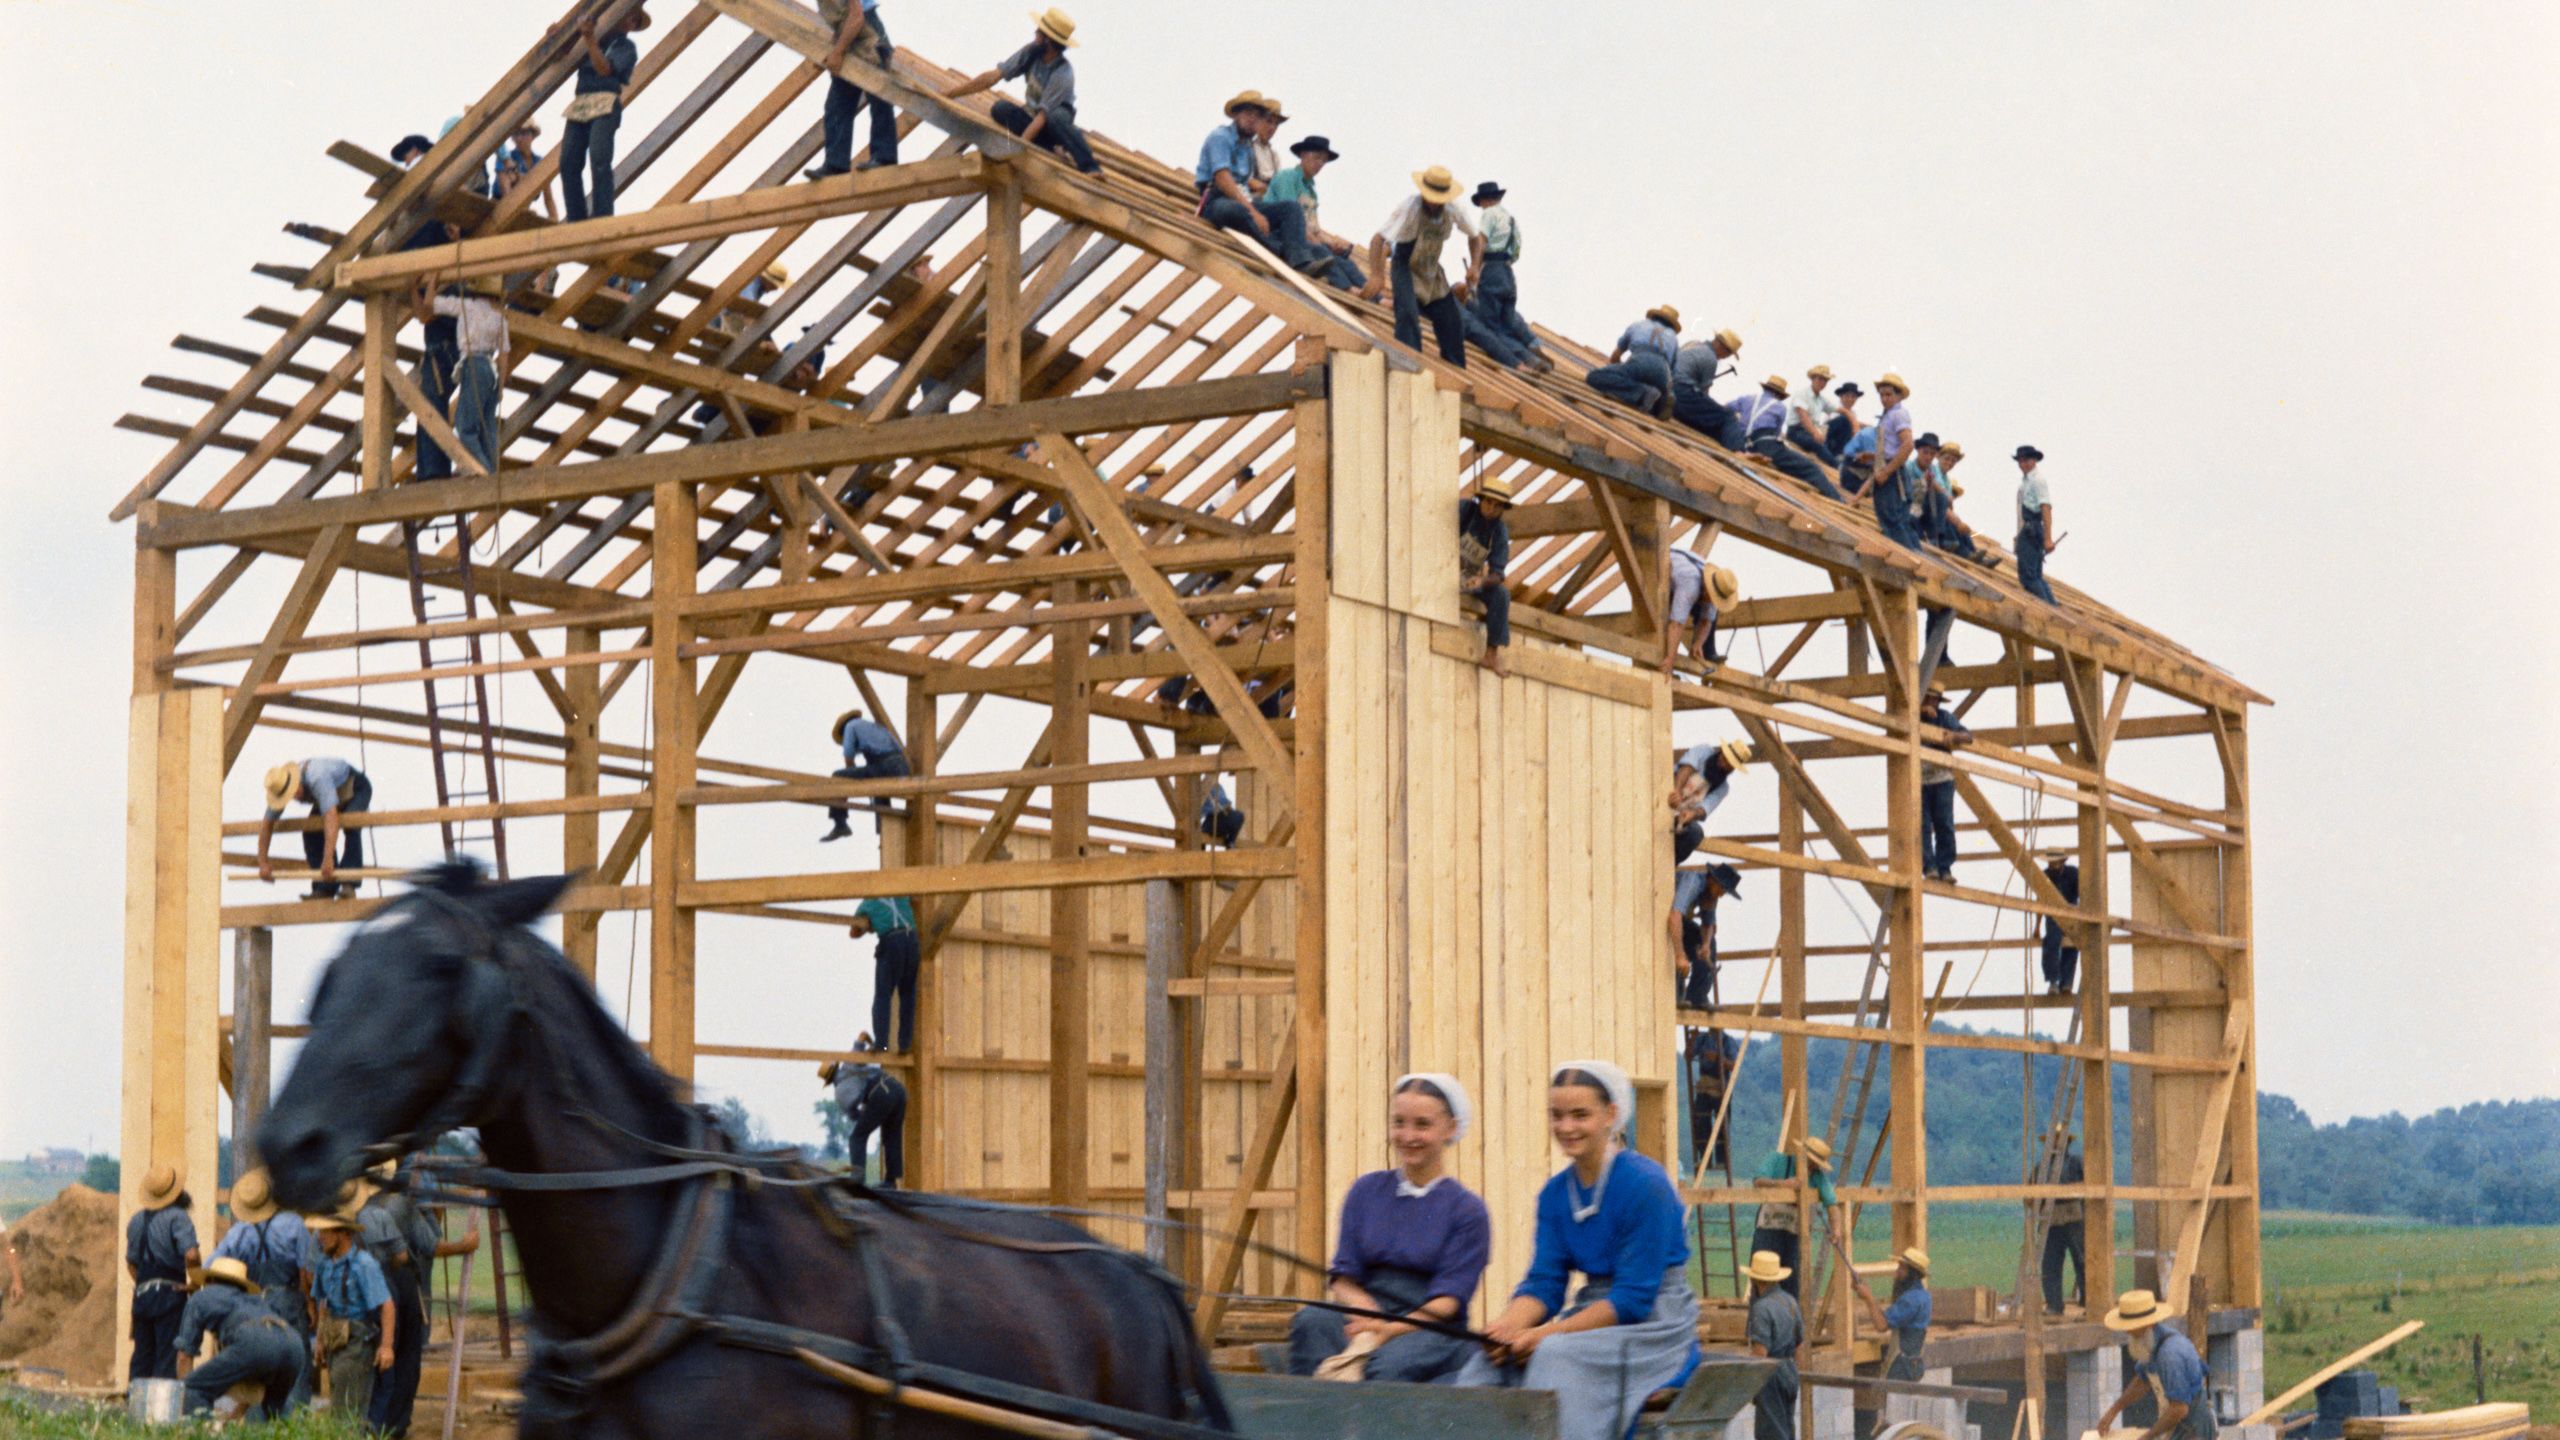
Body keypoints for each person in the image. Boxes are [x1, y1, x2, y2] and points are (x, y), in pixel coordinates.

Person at [1460, 1062, 1700, 1440]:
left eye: (1580, 1115)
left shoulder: (1646, 1185)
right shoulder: (1556, 1194)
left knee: (1555, 1358)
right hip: (1591, 1316)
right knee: (1485, 1366)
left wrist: (1545, 1336)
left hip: (1655, 1322)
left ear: (1611, 1115)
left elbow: (1633, 1299)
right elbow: (1545, 1283)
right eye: (1557, 1116)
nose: (1566, 1127)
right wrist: (1508, 1328)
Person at [1287, 1075, 1491, 1384]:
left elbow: (1447, 1302)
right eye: (1399, 1123)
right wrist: (1366, 1311)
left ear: (1450, 1128)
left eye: (1422, 1125)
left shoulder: (1466, 1210)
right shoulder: (1366, 1191)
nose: (1408, 1136)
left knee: (1385, 1366)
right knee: (1311, 1322)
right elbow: (1343, 1277)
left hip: (1431, 1327)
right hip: (1367, 1311)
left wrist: (1386, 1329)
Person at [948, 9, 1101, 175]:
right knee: (1000, 109)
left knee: (1056, 118)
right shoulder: (1031, 53)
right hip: (1033, 119)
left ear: (1047, 40)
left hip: (1054, 124)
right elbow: (993, 76)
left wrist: (1017, 147)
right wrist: (951, 94)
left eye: (1039, 32)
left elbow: (1043, 117)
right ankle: (1051, 148)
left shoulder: (1062, 73)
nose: (1035, 34)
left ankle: (1089, 166)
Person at [212, 1168, 317, 1409]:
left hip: (253, 1303)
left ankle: (259, 1421)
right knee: (296, 1360)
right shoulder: (294, 1224)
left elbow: (213, 1266)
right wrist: (310, 1304)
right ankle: (294, 1420)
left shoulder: (239, 1232)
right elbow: (306, 1272)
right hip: (287, 1300)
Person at [1360, 166, 1483, 367]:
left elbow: (1475, 237)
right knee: (1407, 315)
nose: (1433, 203)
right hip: (1405, 264)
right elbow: (1378, 239)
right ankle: (1409, 365)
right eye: (1430, 197)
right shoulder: (1410, 208)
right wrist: (1376, 275)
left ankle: (1455, 369)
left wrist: (1475, 266)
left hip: (1431, 268)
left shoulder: (1454, 209)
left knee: (1452, 322)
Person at [359, 1163, 449, 1437]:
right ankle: (396, 1425)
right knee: (407, 1354)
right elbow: (430, 1245)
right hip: (400, 1282)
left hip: (365, 1285)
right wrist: (466, 1245)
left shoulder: (358, 1209)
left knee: (377, 1352)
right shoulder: (401, 1205)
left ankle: (372, 1421)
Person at [172, 1257, 305, 1420]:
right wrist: (234, 1416)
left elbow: (184, 1357)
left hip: (254, 1341)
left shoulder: (201, 1297)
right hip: (293, 1342)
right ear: (243, 1285)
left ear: (210, 1280)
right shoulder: (256, 1301)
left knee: (193, 1389)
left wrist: (184, 1397)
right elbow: (259, 1356)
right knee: (275, 1411)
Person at [1195, 93, 1315, 268]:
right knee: (1235, 210)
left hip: (1243, 199)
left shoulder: (1247, 148)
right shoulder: (1221, 137)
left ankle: (1299, 259)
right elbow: (1222, 178)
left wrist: (1255, 209)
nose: (1253, 119)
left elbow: (1244, 186)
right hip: (1216, 200)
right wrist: (1253, 212)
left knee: (1291, 208)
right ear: (1236, 114)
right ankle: (1277, 251)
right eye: (1248, 113)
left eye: (1258, 116)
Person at [413, 276, 508, 474]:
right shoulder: (500, 319)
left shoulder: (467, 307)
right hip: (491, 371)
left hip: (473, 365)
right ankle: (492, 469)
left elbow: (430, 306)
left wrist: (432, 281)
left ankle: (483, 471)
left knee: (465, 426)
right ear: (496, 297)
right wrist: (500, 386)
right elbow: (504, 354)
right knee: (487, 426)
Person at [559, 9, 647, 222]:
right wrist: (560, 39)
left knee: (599, 158)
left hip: (606, 102)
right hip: (582, 102)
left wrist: (588, 38)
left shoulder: (625, 47)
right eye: (630, 15)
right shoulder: (594, 38)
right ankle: (576, 217)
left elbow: (604, 69)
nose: (631, 21)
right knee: (568, 162)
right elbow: (563, 57)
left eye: (635, 21)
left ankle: (602, 216)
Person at [307, 1211, 395, 1423]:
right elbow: (323, 1303)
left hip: (357, 1342)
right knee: (338, 1399)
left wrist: (386, 1346)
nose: (320, 1236)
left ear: (343, 1233)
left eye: (326, 1231)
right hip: (335, 1339)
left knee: (348, 1408)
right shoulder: (324, 1264)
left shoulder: (364, 1264)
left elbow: (387, 1305)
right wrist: (320, 1340)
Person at [2096, 1289, 2217, 1440]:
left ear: (2148, 1324)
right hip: (2177, 1424)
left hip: (2192, 1429)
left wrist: (2148, 1437)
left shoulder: (2170, 1355)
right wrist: (2113, 1411)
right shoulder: (2151, 1344)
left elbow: (2179, 1408)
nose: (2128, 1332)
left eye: (2131, 1328)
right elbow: (2143, 1380)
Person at [804, 0, 898, 181]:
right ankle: (836, 164)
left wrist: (838, 52)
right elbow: (843, 22)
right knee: (837, 105)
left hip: (868, 36)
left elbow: (856, 17)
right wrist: (832, 51)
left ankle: (884, 157)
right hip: (850, 37)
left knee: (879, 97)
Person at [257, 758, 373, 900]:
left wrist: (328, 858)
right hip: (331, 794)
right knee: (311, 833)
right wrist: (263, 863)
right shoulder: (280, 787)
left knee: (351, 824)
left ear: (297, 782)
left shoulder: (317, 777)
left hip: (355, 788)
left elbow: (331, 817)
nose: (295, 798)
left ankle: (349, 884)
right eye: (290, 797)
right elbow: (266, 825)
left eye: (294, 792)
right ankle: (325, 887)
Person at [125, 1165, 199, 1382]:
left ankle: (135, 1408)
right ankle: (160, 1412)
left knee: (142, 1355)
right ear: (176, 1191)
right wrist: (194, 1283)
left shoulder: (136, 1220)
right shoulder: (178, 1217)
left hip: (141, 1297)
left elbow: (131, 1263)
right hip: (170, 1295)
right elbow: (192, 1255)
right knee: (167, 1357)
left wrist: (145, 1283)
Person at [1853, 1248, 1933, 1440]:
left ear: (1912, 1273)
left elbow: (1881, 1325)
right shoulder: (1922, 1296)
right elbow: (1888, 1317)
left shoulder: (1911, 1300)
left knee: (1894, 1427)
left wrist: (1868, 1298)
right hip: (1909, 1365)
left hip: (1900, 1367)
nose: (1897, 1273)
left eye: (1901, 1269)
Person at [1468, 181, 1548, 372]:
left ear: (1485, 200)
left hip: (1492, 270)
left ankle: (1525, 356)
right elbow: (1516, 252)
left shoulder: (1489, 214)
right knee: (1508, 319)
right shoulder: (1510, 219)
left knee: (1491, 326)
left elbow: (1481, 240)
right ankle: (1530, 343)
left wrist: (1475, 268)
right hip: (1507, 273)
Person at [1264, 136, 1363, 289]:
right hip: (1282, 236)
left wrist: (1330, 242)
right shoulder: (1288, 177)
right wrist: (1319, 243)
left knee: (1346, 263)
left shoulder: (1311, 191)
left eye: (1323, 160)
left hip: (1304, 238)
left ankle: (1376, 297)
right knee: (1323, 254)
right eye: (1317, 157)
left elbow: (1313, 227)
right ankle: (1349, 290)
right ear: (1303, 155)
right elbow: (1291, 218)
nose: (1320, 164)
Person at [1747, 1134, 1835, 1300]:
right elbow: (1758, 1181)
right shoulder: (1777, 1161)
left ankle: (1790, 1321)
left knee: (1792, 1284)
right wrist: (1782, 1184)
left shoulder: (1817, 1177)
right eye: (1811, 1163)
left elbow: (1831, 1203)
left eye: (1816, 1165)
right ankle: (1760, 1320)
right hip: (1768, 1230)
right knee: (1760, 1280)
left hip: (1793, 1234)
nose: (1813, 1168)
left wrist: (1835, 1230)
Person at [1732, 374, 1842, 498]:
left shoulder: (1746, 398)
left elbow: (1726, 410)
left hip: (1743, 443)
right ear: (1779, 395)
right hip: (1766, 445)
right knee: (1811, 468)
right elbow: (1776, 434)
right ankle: (1837, 499)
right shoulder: (1779, 407)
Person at [822, 1041, 910, 1188]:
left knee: (857, 1138)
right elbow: (861, 1040)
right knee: (892, 1135)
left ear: (829, 1080)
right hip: (898, 1089)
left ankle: (858, 1179)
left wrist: (863, 1111)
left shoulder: (839, 1093)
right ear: (836, 1066)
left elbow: (854, 1116)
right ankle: (891, 1180)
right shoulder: (849, 1062)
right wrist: (875, 1045)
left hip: (880, 1094)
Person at [821, 708, 911, 840]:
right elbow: (899, 750)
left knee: (838, 777)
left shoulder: (850, 727)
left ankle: (840, 823)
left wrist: (853, 783)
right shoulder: (878, 727)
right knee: (878, 791)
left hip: (884, 766)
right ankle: (886, 833)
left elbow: (849, 757)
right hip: (900, 767)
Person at [1742, 1250, 1804, 1440]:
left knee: (1771, 1433)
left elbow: (1760, 1352)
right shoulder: (1790, 1302)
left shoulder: (1761, 1308)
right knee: (1786, 1430)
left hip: (1770, 1374)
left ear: (1755, 1280)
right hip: (1789, 1370)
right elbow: (1799, 1345)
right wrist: (1794, 1374)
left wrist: (1747, 1381)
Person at [849, 895, 921, 1053]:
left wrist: (869, 925)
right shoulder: (900, 893)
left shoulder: (867, 903)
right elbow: (915, 901)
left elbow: (854, 933)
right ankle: (904, 1044)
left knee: (883, 995)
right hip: (912, 940)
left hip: (892, 941)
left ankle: (882, 1043)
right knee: (908, 994)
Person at [1458, 475, 1514, 677]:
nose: (1491, 509)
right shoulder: (1465, 510)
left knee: (1501, 595)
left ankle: (1491, 654)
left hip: (1467, 579)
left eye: (1497, 506)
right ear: (1481, 500)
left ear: (1502, 509)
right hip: (1440, 569)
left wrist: (1482, 581)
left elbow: (1498, 573)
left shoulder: (1499, 532)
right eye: (1488, 502)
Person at [1668, 737, 1752, 864]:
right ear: (1721, 752)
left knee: (1695, 833)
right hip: (1667, 793)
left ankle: (1668, 864)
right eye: (1724, 759)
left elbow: (1704, 809)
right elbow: (1687, 768)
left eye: (1728, 767)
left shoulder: (1722, 788)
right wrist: (1677, 791)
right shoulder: (1704, 751)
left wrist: (1692, 815)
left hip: (1679, 817)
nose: (1723, 765)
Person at [1585, 304, 1682, 415]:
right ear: (1672, 324)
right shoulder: (1674, 338)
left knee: (1595, 376)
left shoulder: (1639, 325)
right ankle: (1660, 403)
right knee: (1658, 391)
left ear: (1654, 316)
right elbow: (1673, 375)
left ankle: (1642, 392)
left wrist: (1620, 371)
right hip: (1662, 371)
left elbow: (1615, 357)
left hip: (1641, 359)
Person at [1919, 688, 1974, 883]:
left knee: (1944, 823)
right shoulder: (1911, 715)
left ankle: (1944, 867)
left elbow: (1968, 736)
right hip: (1919, 780)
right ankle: (1930, 867)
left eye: (1935, 700)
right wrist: (1919, 712)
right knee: (1923, 825)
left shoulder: (1944, 717)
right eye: (1929, 699)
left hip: (1941, 778)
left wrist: (1954, 737)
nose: (1932, 703)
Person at [1673, 862, 1742, 1012]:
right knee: (1675, 939)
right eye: (1722, 889)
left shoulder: (1710, 895)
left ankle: (1697, 996)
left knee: (1710, 944)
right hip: (1666, 918)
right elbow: (1675, 915)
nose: (1722, 894)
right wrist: (1680, 955)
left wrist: (1705, 944)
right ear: (1712, 880)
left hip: (1678, 921)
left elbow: (1708, 923)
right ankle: (1675, 995)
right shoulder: (1692, 882)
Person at [1868, 374, 1926, 551]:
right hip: (1887, 469)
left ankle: (1909, 561)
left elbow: (1908, 445)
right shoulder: (1887, 416)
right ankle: (1914, 556)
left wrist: (1886, 471)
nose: (1885, 399)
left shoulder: (1898, 414)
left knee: (1893, 521)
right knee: (1897, 522)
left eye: (1889, 395)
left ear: (1899, 395)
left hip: (1892, 474)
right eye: (1882, 395)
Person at [1664, 548, 1738, 669]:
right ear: (1708, 590)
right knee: (1670, 616)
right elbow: (1676, 624)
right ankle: (1666, 657)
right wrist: (1670, 659)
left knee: (1710, 612)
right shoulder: (1690, 582)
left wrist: (1699, 643)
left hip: (1683, 580)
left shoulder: (1716, 585)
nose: (1713, 602)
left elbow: (1706, 621)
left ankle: (1707, 651)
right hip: (1657, 568)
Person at [1670, 328, 1745, 443]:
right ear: (1723, 349)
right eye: (1728, 354)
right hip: (1683, 392)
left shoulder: (1693, 344)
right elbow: (1704, 393)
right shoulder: (1710, 359)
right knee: (1728, 415)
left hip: (1668, 387)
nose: (1726, 357)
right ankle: (1737, 451)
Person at [2042, 1130, 2088, 1314]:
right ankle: (2054, 1304)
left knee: (2082, 1259)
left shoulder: (2076, 1162)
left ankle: (2089, 1302)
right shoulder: (2043, 1167)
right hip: (2051, 1218)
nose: (2055, 1145)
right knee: (2050, 1262)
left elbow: (2088, 1184)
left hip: (2073, 1215)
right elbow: (2032, 1191)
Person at [1684, 1028, 1740, 1170]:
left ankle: (1722, 1160)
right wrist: (1691, 1040)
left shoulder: (1728, 1041)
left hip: (1720, 1087)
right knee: (1700, 1121)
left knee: (1722, 1124)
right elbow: (1688, 1056)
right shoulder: (1702, 1038)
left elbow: (1734, 1065)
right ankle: (1705, 1158)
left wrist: (1717, 1058)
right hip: (1704, 1086)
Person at [2014, 444, 2058, 603]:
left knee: (2028, 577)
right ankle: (2051, 604)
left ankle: (2048, 607)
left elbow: (2045, 508)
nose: (2023, 464)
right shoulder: (2026, 481)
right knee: (2035, 574)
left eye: (2026, 460)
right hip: (2028, 528)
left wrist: (2048, 538)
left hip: (2032, 529)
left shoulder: (2037, 480)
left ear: (2034, 461)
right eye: (2020, 461)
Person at [493, 122, 554, 217]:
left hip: (525, 208)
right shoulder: (506, 159)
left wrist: (555, 222)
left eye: (525, 133)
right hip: (500, 208)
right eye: (516, 134)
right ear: (512, 138)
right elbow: (505, 192)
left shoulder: (539, 162)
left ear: (532, 136)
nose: (520, 138)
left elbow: (548, 198)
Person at [2042, 856, 2082, 993]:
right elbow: (2040, 900)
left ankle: (2066, 983)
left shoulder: (2073, 873)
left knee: (2073, 944)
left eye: (2054, 862)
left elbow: (2082, 893)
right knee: (2052, 943)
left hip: (2072, 913)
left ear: (2062, 862)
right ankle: (2053, 982)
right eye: (2050, 862)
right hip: (2052, 915)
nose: (2052, 864)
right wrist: (2036, 926)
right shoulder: (2045, 875)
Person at [1789, 365, 1842, 462]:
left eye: (1825, 381)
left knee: (1843, 421)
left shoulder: (1821, 399)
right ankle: (1835, 466)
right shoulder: (1802, 394)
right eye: (1820, 379)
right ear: (1813, 379)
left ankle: (1838, 455)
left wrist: (1853, 422)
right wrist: (1814, 433)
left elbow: (1840, 410)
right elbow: (1803, 416)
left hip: (1810, 431)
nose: (1822, 383)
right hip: (1797, 431)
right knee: (1817, 445)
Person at [1198, 779, 1244, 849]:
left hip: (1218, 822)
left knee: (1239, 816)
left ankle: (1230, 842)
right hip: (1212, 822)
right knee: (1238, 816)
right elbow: (1197, 814)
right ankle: (1230, 842)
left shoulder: (1216, 787)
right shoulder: (1204, 789)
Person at [1826, 382, 1865, 458]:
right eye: (1847, 396)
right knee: (1845, 421)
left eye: (1853, 396)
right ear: (1841, 397)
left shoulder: (1853, 413)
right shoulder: (1834, 409)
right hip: (1831, 443)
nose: (1850, 399)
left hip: (1846, 443)